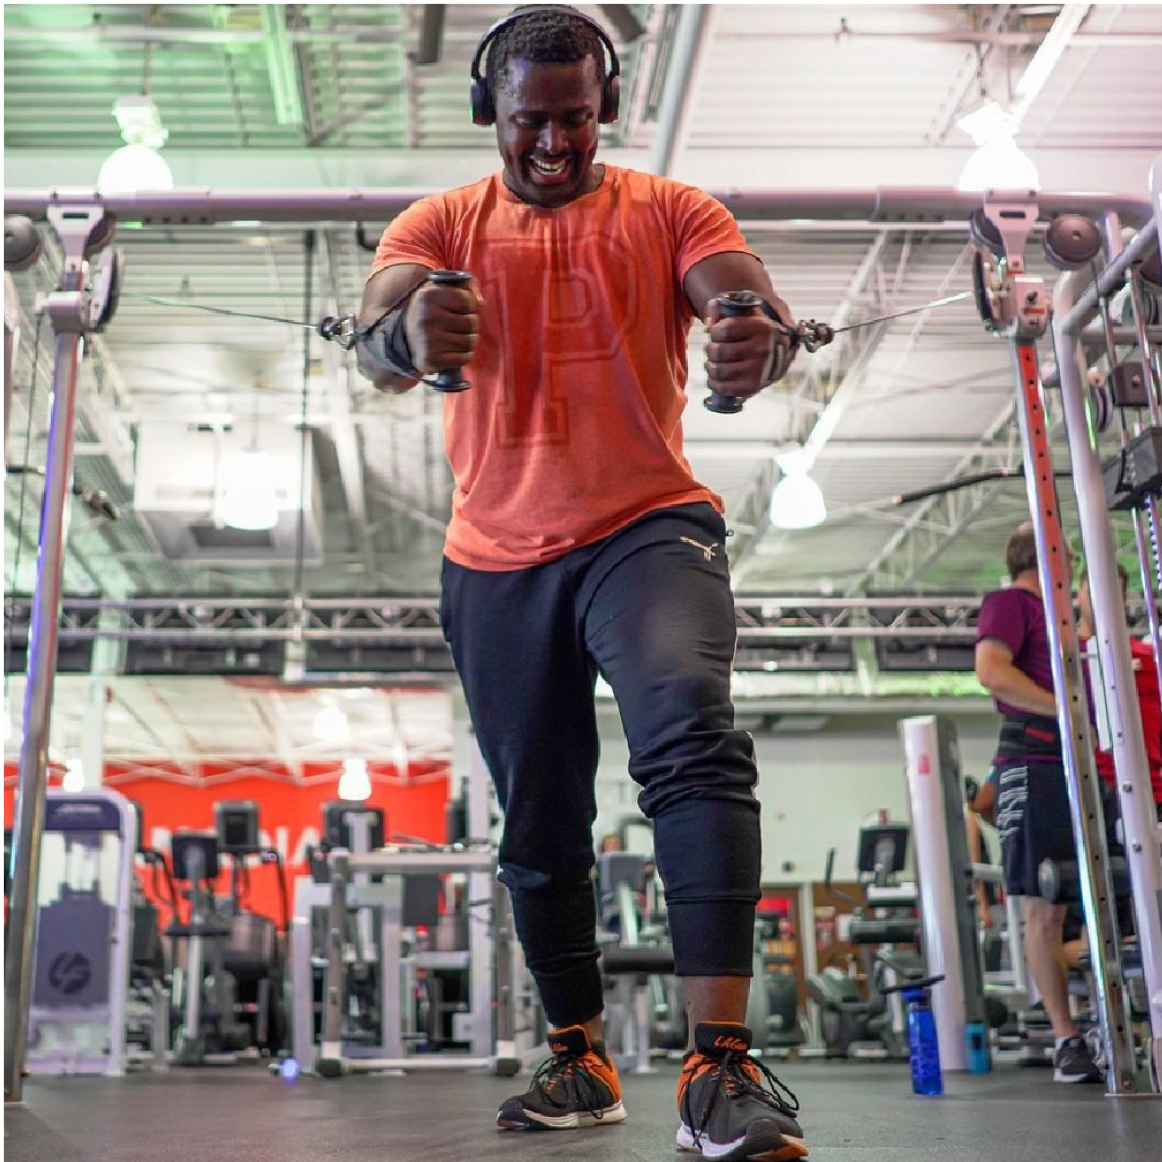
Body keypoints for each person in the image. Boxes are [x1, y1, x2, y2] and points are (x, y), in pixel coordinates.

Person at [356, 8, 806, 1160]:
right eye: (527, 122)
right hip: (492, 560)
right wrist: (408, 332)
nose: (551, 143)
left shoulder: (667, 209)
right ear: (486, 114)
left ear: (602, 108)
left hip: (644, 528)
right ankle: (579, 1057)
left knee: (689, 730)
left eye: (572, 118)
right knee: (539, 814)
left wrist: (754, 331)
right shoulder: (441, 219)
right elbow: (369, 340)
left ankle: (719, 1066)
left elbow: (737, 290)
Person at [974, 521, 1103, 1083]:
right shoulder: (1010, 603)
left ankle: (1112, 1022)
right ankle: (1066, 1039)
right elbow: (991, 672)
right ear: (1051, 557)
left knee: (1104, 897)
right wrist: (1064, 708)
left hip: (1083, 765)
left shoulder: (1062, 619)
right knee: (1042, 906)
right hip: (1033, 762)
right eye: (1069, 560)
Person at [1076, 566, 1162, 819]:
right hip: (1094, 794)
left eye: (1113, 591)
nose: (1101, 599)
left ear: (1123, 598)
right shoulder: (1066, 659)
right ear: (1078, 594)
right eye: (1092, 590)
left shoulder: (1147, 658)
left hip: (1150, 792)